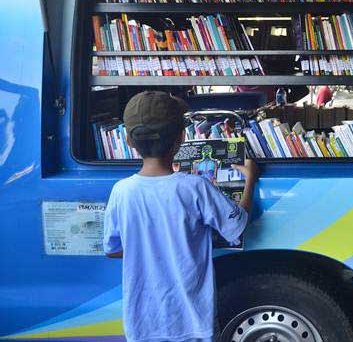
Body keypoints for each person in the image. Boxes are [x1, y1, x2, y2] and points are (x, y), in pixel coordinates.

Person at [102, 91, 259, 342]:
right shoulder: (194, 187)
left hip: (142, 325)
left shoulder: (121, 192)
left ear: (129, 141)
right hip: (193, 322)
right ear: (181, 137)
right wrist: (250, 178)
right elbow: (237, 226)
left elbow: (112, 249)